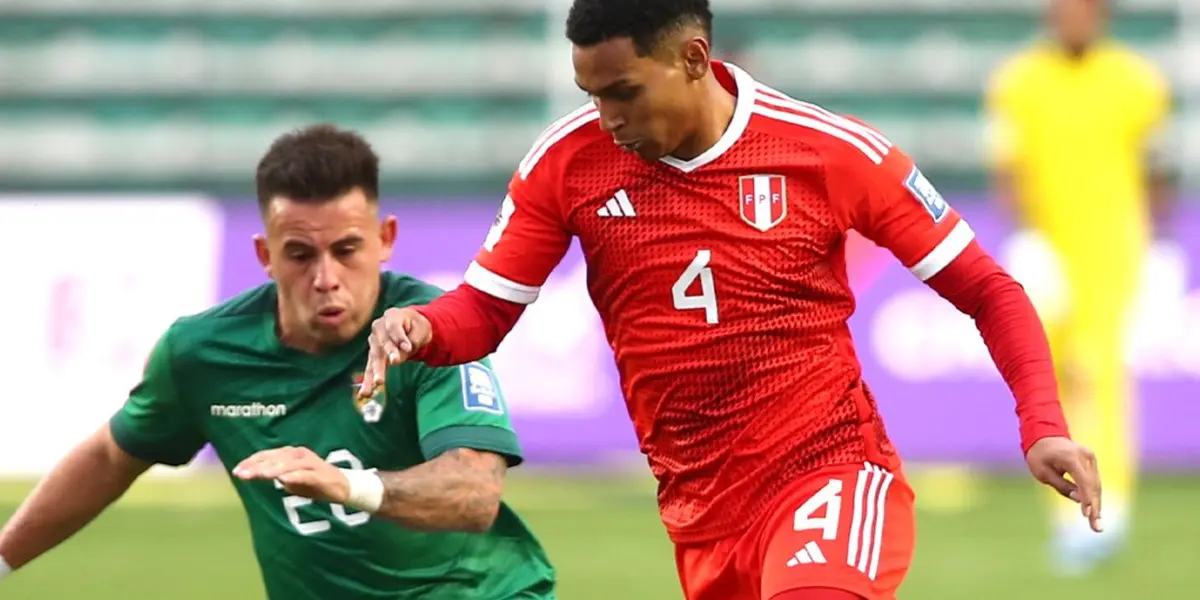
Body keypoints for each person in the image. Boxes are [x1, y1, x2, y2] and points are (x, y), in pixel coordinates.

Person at [362, 2, 1103, 599]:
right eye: (592, 96)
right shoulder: (567, 164)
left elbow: (988, 289)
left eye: (624, 92)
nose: (608, 117)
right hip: (700, 510)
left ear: (693, 60)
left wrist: (1041, 424)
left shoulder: (829, 152)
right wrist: (418, 325)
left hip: (829, 470)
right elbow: (483, 314)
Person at [0, 125, 556, 599]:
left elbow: (473, 493)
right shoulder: (204, 354)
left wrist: (345, 484)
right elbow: (110, 456)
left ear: (385, 240)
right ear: (265, 255)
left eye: (346, 250)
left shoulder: (431, 330)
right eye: (299, 254)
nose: (324, 278)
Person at [984, 0, 1170, 575]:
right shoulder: (1019, 81)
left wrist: (1157, 239)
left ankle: (1109, 505)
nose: (1071, 18)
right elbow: (1008, 168)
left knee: (1102, 373)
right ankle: (1069, 512)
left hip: (1112, 251)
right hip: (1048, 249)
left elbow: (1154, 166)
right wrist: (1026, 241)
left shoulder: (1137, 81)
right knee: (1049, 378)